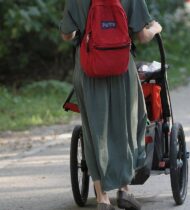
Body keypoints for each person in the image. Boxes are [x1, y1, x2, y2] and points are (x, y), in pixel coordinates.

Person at [60, 0, 162, 210]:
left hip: (88, 67)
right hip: (121, 67)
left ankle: (102, 198)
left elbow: (67, 35)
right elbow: (142, 36)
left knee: (94, 131)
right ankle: (124, 190)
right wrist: (156, 28)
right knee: (130, 122)